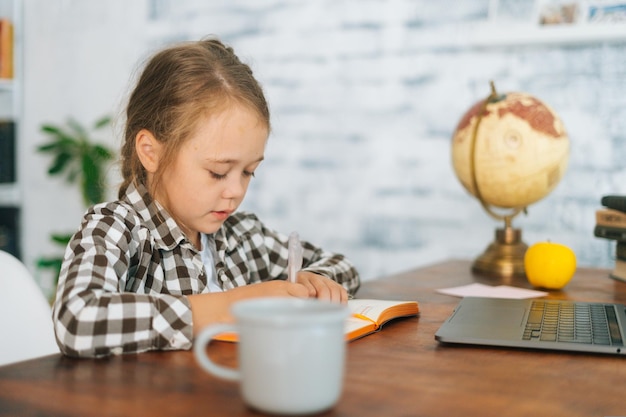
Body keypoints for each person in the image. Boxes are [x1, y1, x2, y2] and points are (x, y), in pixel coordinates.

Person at [52, 38, 360, 358]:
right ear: (151, 152)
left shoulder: (243, 235)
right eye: (217, 172)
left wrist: (316, 282)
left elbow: (343, 266)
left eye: (248, 172)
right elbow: (77, 319)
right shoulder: (116, 227)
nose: (236, 191)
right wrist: (232, 305)